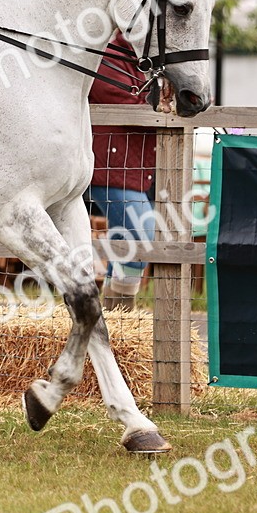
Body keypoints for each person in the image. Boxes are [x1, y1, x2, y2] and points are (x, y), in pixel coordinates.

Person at [88, 34, 156, 310]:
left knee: (124, 243)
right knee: (140, 238)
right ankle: (119, 310)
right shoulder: (108, 55)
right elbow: (128, 103)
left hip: (135, 168)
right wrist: (168, 101)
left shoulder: (145, 61)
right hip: (110, 166)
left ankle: (112, 317)